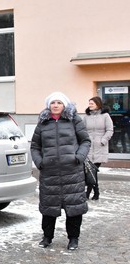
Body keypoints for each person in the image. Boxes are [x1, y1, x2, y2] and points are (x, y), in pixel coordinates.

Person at [31, 92, 91, 250]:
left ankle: (73, 239)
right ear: (48, 105)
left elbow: (85, 140)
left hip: (72, 171)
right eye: (53, 103)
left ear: (65, 105)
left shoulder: (74, 119)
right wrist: (39, 162)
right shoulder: (43, 123)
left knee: (74, 209)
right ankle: (47, 237)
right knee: (49, 208)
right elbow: (35, 146)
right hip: (49, 173)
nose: (55, 105)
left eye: (59, 102)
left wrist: (79, 156)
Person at [83, 96, 113, 201]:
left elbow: (110, 130)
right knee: (90, 171)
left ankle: (89, 193)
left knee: (92, 170)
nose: (90, 105)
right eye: (89, 103)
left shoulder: (105, 116)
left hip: (100, 147)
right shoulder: (86, 117)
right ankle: (95, 193)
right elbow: (82, 131)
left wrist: (103, 140)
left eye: (92, 103)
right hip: (88, 147)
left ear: (98, 104)